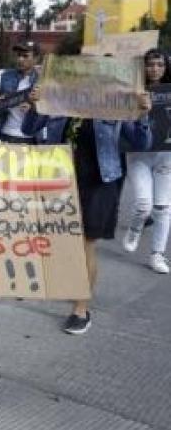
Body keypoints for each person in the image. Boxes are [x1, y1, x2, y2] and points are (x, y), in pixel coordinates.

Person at [24, 84, 152, 335]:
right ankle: (71, 284)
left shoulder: (116, 99)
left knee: (85, 243)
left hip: (100, 180)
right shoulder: (59, 95)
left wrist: (142, 112)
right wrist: (35, 105)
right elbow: (28, 128)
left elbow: (142, 142)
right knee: (63, 240)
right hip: (60, 177)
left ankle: (81, 308)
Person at [121, 49, 171, 273]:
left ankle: (157, 254)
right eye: (151, 64)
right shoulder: (132, 91)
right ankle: (135, 228)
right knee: (144, 204)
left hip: (166, 156)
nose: (155, 69)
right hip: (139, 154)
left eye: (160, 64)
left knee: (163, 208)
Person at [0, 41, 41, 143]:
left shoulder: (43, 80)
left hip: (31, 138)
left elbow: (51, 112)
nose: (20, 59)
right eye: (18, 55)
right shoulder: (5, 76)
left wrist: (34, 108)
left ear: (36, 59)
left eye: (25, 56)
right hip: (5, 134)